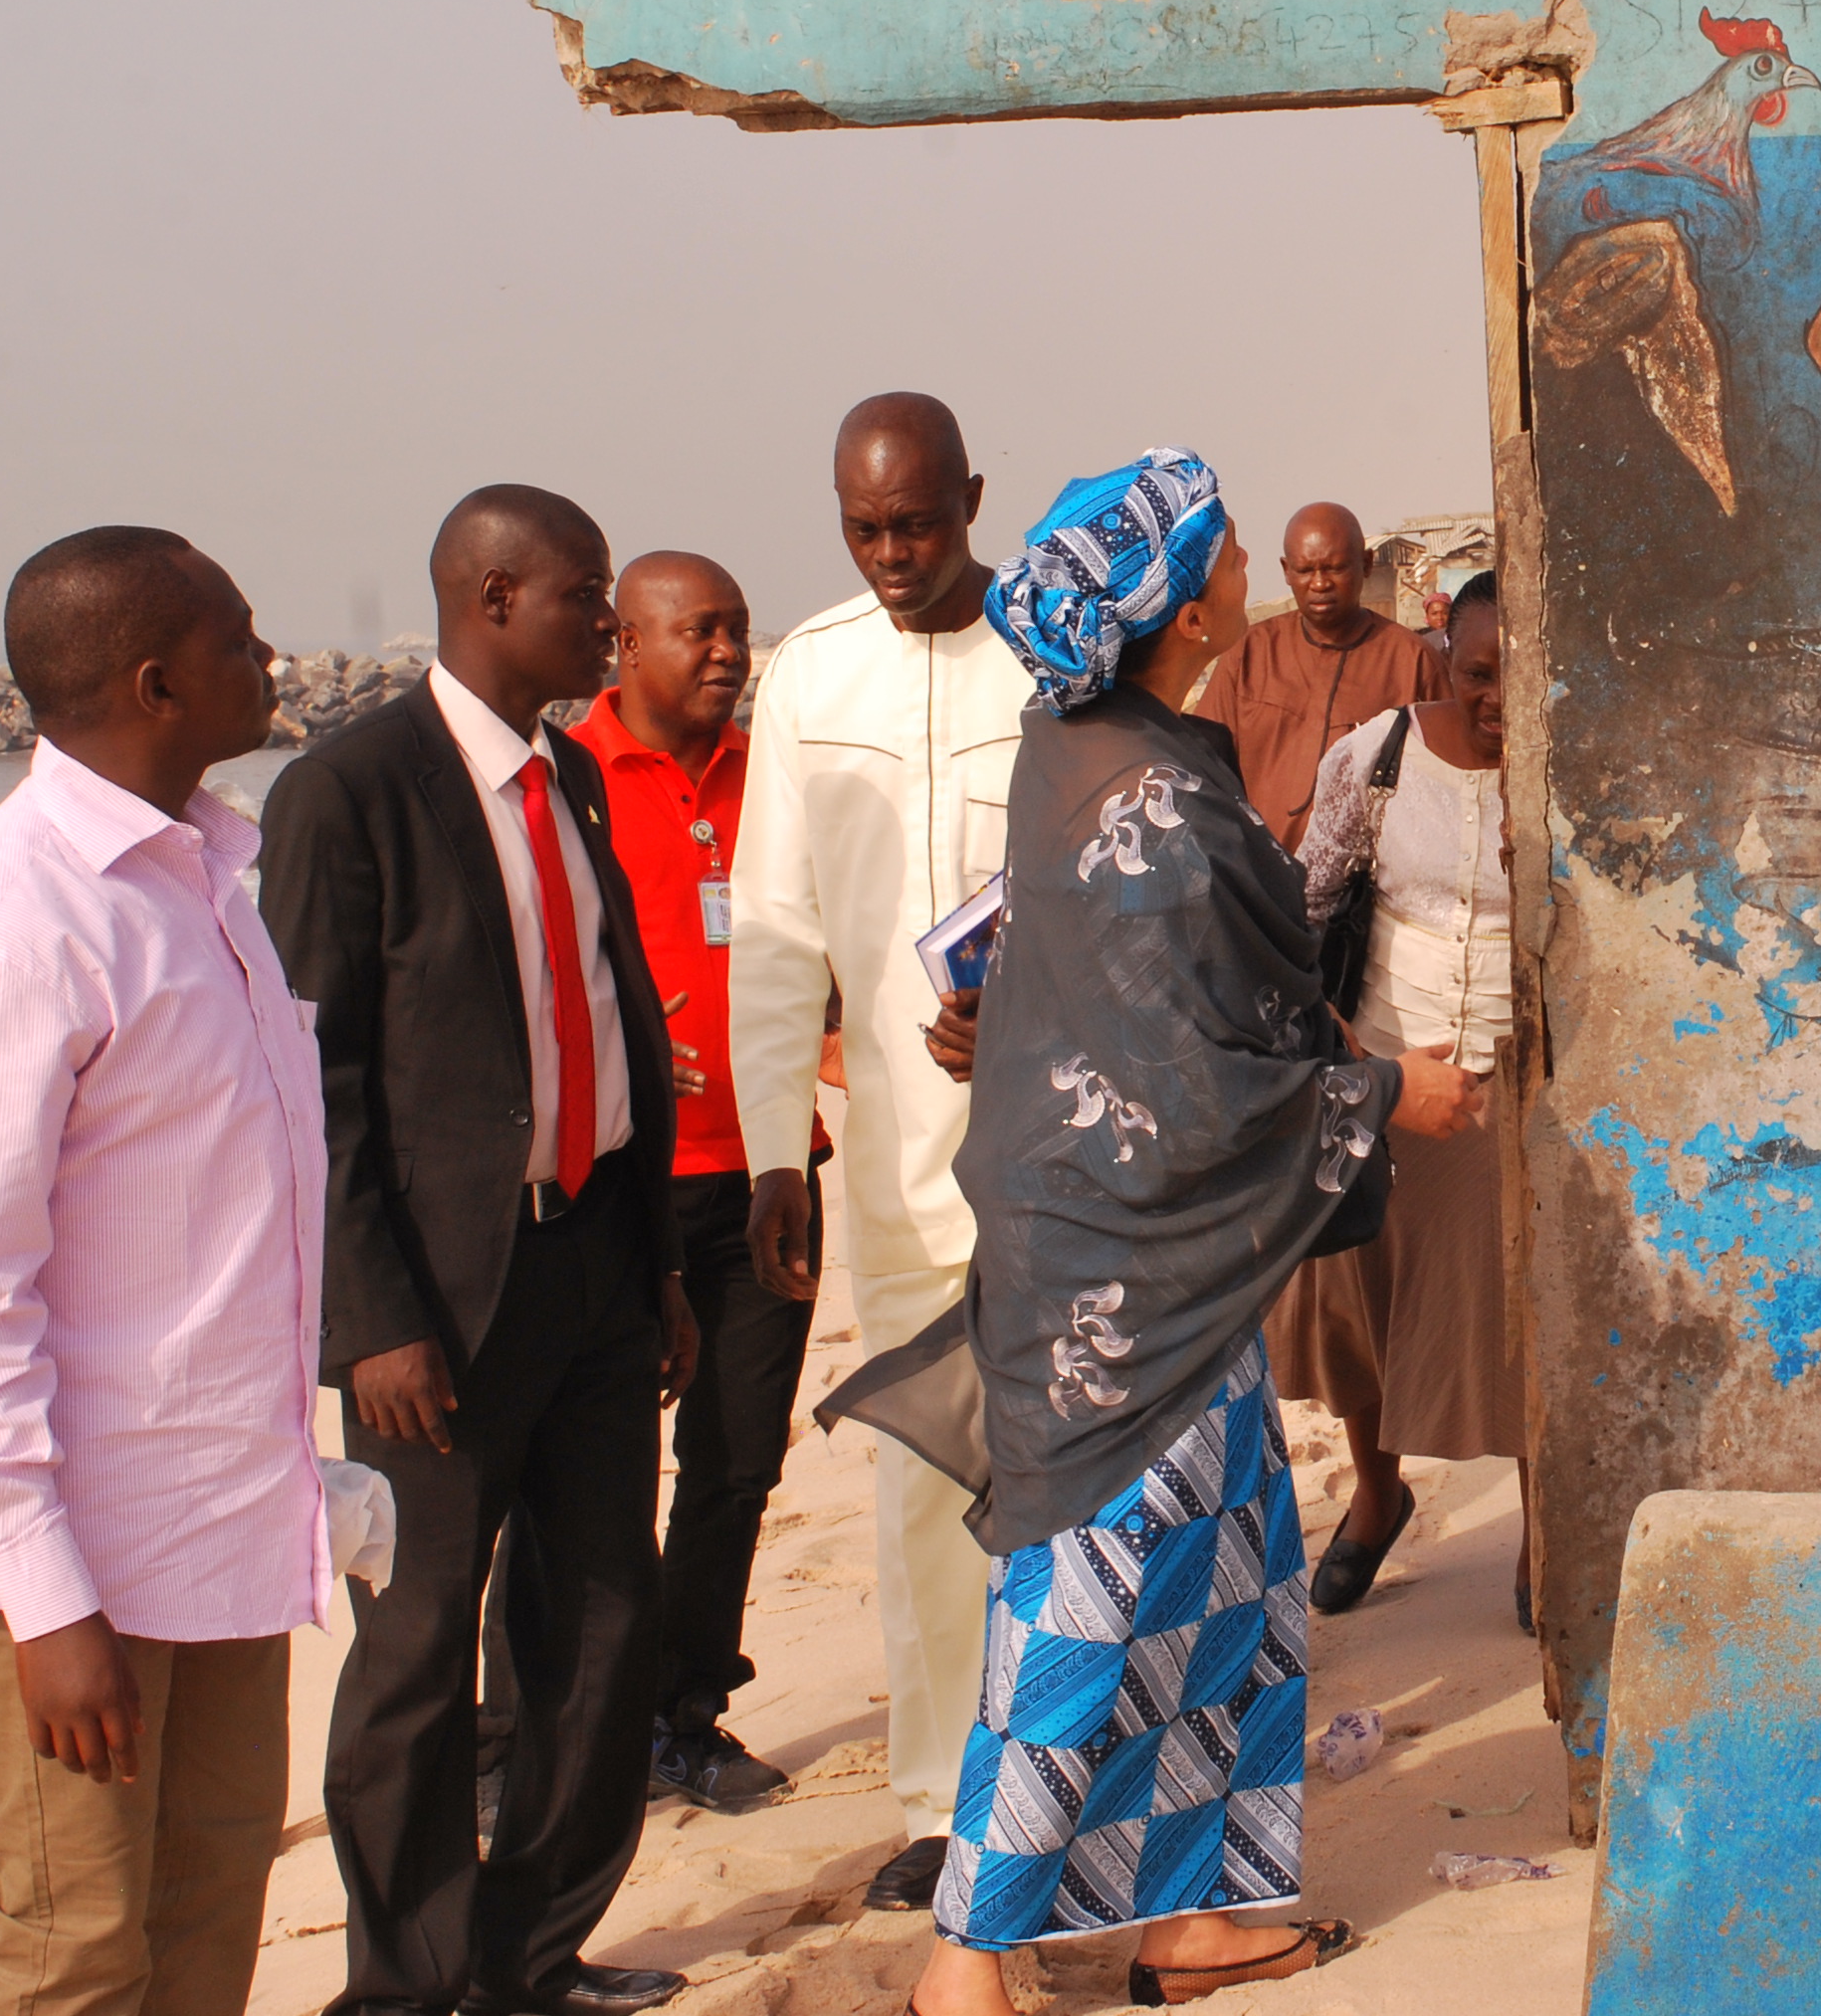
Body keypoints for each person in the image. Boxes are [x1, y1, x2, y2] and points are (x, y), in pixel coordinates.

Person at [858, 447, 1475, 2016]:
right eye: (1225, 545)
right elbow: (1198, 1079)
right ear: (1188, 595)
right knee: (1091, 1599)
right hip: (1124, 1282)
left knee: (1233, 1580)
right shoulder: (1155, 799)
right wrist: (1388, 1092)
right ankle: (967, 1957)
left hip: (1144, 1262)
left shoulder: (1088, 739)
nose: (1248, 561)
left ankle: (1197, 1913)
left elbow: (1105, 1000)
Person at [0, 527, 322, 2016]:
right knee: (75, 1945)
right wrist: (41, 1601)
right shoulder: (17, 927)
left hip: (218, 1519)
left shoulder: (202, 880)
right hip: (71, 1543)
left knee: (205, 1921)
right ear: (155, 680)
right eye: (241, 639)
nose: (272, 659)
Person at [261, 487, 693, 2016]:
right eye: (585, 595)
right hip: (432, 1312)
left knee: (599, 1628)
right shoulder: (349, 790)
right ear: (495, 598)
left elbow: (608, 1021)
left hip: (586, 1275)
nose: (605, 617)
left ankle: (527, 1955)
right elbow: (317, 1085)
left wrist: (652, 1277)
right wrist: (369, 1319)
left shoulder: (568, 776)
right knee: (419, 1655)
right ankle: (403, 1985)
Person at [725, 393, 1031, 1911]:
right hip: (895, 1171)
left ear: (972, 498)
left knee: (1071, 1473)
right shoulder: (808, 672)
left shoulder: (1053, 648)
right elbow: (775, 930)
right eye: (864, 529)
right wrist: (778, 1144)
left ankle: (1074, 1778)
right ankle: (942, 1796)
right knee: (922, 1488)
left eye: (918, 522)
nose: (894, 552)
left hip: (1056, 1156)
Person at [566, 550, 818, 1813]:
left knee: (734, 1463)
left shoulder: (774, 771)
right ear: (625, 643)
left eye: (738, 630)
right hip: (626, 1190)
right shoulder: (567, 783)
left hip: (771, 1173)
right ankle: (549, 1734)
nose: (727, 652)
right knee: (595, 1476)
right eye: (700, 632)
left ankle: (687, 1713)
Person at [1272, 572, 1527, 1619]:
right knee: (1352, 1314)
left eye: (1521, 674)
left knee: (1516, 1323)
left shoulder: (1583, 763)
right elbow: (1301, 906)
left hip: (1515, 1087)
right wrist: (1334, 1054)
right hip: (1381, 1073)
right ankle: (1377, 1499)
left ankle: (1541, 1528)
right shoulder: (1374, 758)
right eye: (1476, 673)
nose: (1498, 697)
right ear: (1442, 662)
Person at [1191, 503, 1445, 852]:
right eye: (1306, 570)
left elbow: (1444, 779)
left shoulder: (1412, 660)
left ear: (1367, 564)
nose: (1320, 583)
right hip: (1264, 874)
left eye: (1336, 568)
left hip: (1371, 881)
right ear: (1286, 571)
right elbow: (1203, 766)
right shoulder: (1249, 654)